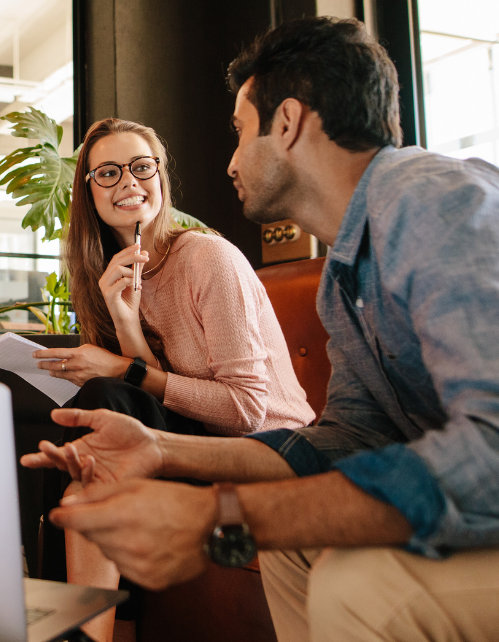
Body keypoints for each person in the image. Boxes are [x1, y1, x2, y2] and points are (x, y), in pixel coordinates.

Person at [21, 16, 499, 642]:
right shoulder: (355, 269)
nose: (229, 161)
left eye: (240, 131)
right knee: (296, 547)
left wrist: (222, 515)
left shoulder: (436, 201)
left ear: (287, 123)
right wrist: (160, 448)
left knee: (371, 585)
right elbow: (345, 443)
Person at [30, 118, 314, 642]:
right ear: (87, 190)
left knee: (103, 404)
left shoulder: (209, 258)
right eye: (109, 173)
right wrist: (124, 323)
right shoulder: (110, 275)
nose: (130, 183)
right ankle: (91, 630)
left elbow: (246, 410)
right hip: (187, 440)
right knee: (72, 432)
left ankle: (80, 634)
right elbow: (148, 393)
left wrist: (123, 367)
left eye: (142, 167)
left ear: (161, 175)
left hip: (267, 451)